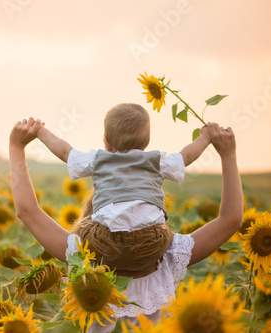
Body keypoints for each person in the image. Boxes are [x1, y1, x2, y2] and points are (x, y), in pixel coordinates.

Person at [9, 117, 242, 330]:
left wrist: (17, 147)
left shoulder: (81, 254)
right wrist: (227, 154)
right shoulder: (169, 255)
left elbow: (27, 210)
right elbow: (230, 220)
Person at [37, 103, 211, 277]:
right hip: (151, 245)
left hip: (105, 243)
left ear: (107, 143)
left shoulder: (99, 159)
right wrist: (205, 137)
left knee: (82, 228)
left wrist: (40, 132)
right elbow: (186, 156)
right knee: (167, 232)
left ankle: (84, 271)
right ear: (147, 142)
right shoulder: (156, 161)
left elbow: (66, 152)